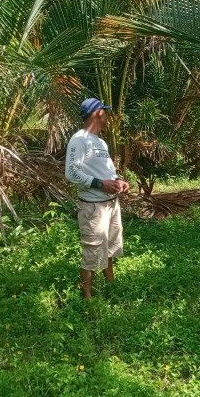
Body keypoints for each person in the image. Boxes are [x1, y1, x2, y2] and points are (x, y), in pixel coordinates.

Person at [65, 98, 130, 299]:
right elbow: (71, 172)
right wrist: (100, 184)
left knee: (110, 247)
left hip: (111, 205)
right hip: (93, 207)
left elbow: (107, 170)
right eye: (105, 111)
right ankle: (87, 298)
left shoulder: (100, 142)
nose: (108, 116)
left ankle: (111, 287)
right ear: (97, 113)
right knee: (92, 252)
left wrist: (117, 180)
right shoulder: (79, 140)